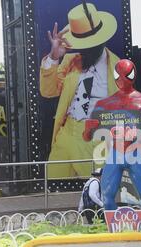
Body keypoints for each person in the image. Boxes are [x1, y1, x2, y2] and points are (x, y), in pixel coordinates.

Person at [40, 2, 120, 179]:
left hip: (96, 137)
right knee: (53, 187)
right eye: (82, 43)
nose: (85, 49)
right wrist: (54, 57)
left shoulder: (118, 68)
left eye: (90, 44)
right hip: (67, 133)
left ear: (102, 39)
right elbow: (48, 91)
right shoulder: (70, 61)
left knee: (98, 193)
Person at [83, 59, 141, 224]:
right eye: (119, 75)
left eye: (126, 75)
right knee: (107, 198)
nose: (122, 79)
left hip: (135, 154)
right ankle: (117, 230)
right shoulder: (103, 105)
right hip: (116, 154)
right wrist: (88, 129)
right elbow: (86, 137)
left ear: (133, 75)